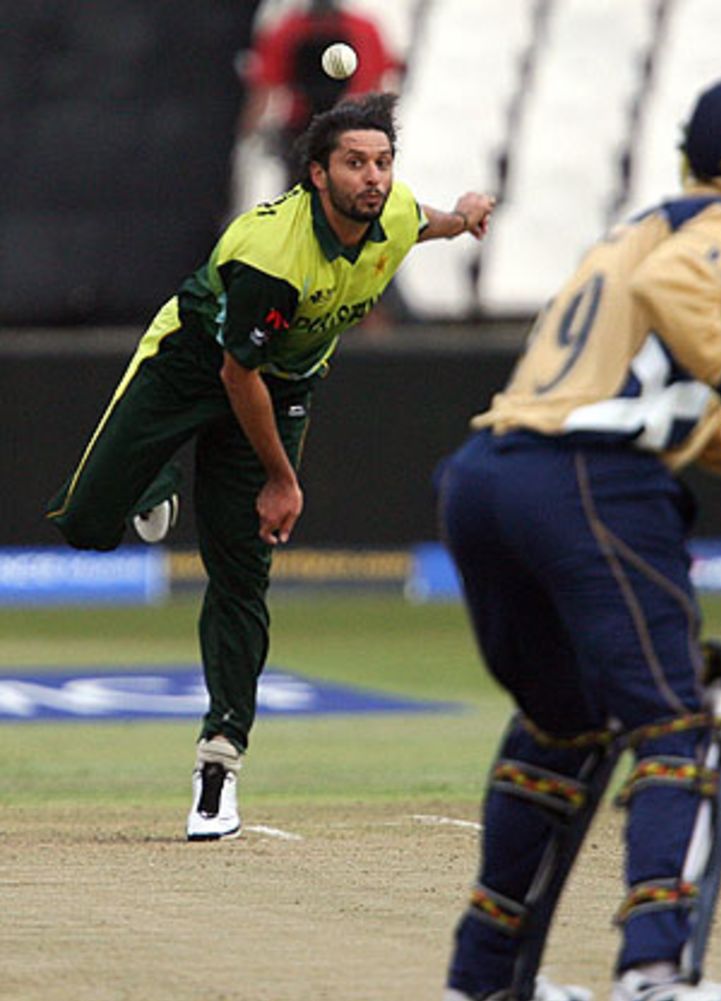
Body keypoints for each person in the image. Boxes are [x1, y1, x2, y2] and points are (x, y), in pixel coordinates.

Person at [435, 76, 721, 1001]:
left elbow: (652, 400)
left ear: (682, 159)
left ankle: (483, 977)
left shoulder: (631, 232)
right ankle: (654, 972)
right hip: (589, 483)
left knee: (562, 725)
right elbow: (679, 304)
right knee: (676, 721)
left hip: (487, 477)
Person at [46, 92, 495, 842]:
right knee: (89, 525)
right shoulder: (273, 257)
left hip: (280, 387)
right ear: (317, 175)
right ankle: (157, 475)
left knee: (242, 573)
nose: (374, 178)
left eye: (382, 163)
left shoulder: (394, 210)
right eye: (355, 163)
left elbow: (426, 223)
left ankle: (219, 763)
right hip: (194, 363)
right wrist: (284, 478)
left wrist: (467, 213)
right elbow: (234, 374)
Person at [231, 0, 405, 213]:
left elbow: (265, 84)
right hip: (321, 130)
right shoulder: (295, 28)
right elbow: (381, 82)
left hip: (319, 131)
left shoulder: (293, 28)